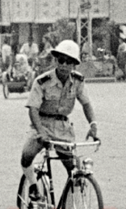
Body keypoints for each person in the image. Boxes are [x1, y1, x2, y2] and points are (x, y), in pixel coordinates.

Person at [18, 39, 99, 200]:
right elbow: (33, 109)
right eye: (61, 60)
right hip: (41, 124)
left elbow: (86, 103)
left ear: (74, 65)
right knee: (27, 155)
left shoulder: (77, 81)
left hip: (63, 127)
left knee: (74, 171)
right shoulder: (42, 81)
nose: (64, 65)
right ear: (55, 60)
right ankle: (33, 185)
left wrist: (93, 125)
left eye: (68, 62)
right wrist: (41, 132)